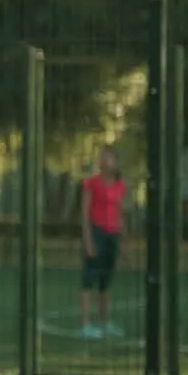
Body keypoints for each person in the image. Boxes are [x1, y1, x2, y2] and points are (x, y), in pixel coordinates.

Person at [79, 144, 126, 339]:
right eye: (102, 157)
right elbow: (84, 214)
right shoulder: (91, 184)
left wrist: (123, 241)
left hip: (112, 235)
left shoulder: (120, 185)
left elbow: (121, 213)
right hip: (96, 232)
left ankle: (105, 322)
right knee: (89, 279)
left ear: (115, 162)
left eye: (108, 157)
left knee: (106, 282)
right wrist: (88, 240)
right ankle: (85, 325)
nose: (104, 160)